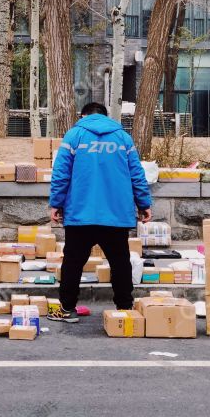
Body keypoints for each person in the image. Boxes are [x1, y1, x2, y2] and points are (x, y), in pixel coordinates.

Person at [47, 102, 152, 323]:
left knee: (73, 262)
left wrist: (56, 203)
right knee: (120, 262)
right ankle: (124, 308)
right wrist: (143, 203)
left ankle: (67, 309)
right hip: (115, 215)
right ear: (105, 116)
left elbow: (60, 173)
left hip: (81, 213)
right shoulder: (123, 138)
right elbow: (136, 173)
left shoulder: (74, 136)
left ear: (83, 115)